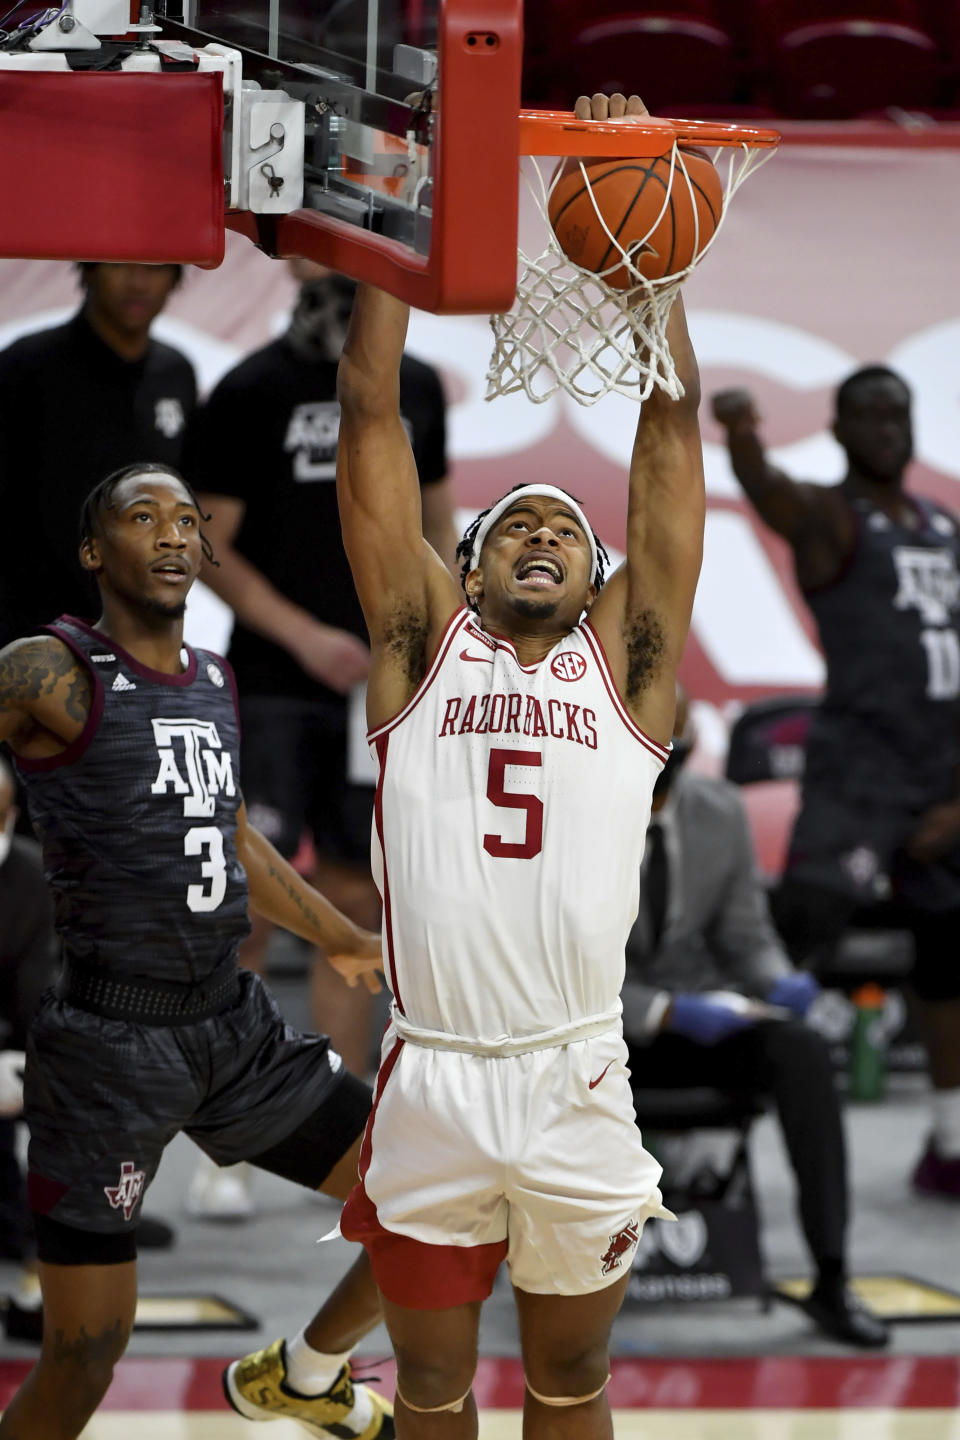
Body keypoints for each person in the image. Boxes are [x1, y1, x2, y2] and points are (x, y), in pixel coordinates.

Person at [227, 87, 702, 1440]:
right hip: (434, 1069)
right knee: (432, 1388)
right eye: (512, 528)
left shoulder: (627, 673)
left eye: (564, 528)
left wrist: (647, 254)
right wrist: (397, 215)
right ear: (468, 566)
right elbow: (370, 418)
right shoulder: (417, 653)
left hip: (575, 1075)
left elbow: (668, 453)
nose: (542, 535)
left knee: (568, 1385)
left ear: (599, 576)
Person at [0, 463, 393, 1440]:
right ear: (96, 552)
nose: (175, 533)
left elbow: (230, 836)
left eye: (188, 519)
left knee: (424, 1203)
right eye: (145, 516)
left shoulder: (215, 679)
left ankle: (305, 1373)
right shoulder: (43, 668)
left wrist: (339, 935)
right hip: (105, 1042)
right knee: (85, 1349)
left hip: (233, 1027)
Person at [183, 261, 457, 1098]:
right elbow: (208, 543)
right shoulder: (250, 388)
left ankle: (337, 1108)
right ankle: (233, 1117)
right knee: (249, 899)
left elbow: (437, 522)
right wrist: (305, 636)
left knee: (351, 892)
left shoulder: (420, 386)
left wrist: (434, 646)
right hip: (274, 680)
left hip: (377, 685)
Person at [712, 370, 960, 1200]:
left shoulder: (942, 526)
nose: (889, 427)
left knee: (949, 958)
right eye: (871, 414)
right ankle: (709, 1125)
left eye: (900, 412)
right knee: (801, 932)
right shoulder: (831, 518)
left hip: (944, 769)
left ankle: (950, 1144)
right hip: (863, 769)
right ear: (841, 428)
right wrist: (744, 437)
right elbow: (771, 494)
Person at [623, 689, 887, 1347]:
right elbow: (548, 965)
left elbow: (745, 935)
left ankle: (831, 1274)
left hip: (701, 1017)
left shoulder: (719, 811)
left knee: (798, 1051)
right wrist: (660, 1010)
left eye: (672, 755)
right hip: (598, 1029)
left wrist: (778, 980)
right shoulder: (566, 819)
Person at [0, 262, 194, 649]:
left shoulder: (177, 374)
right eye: (120, 265)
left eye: (155, 268)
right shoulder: (26, 367)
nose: (138, 283)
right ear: (87, 270)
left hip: (140, 638)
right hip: (29, 635)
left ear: (175, 278)